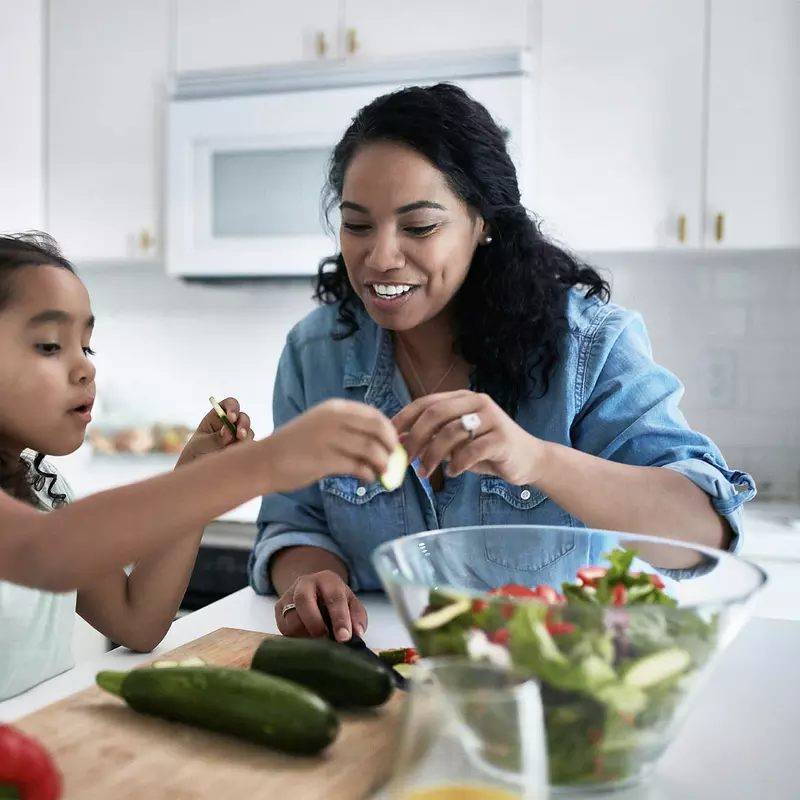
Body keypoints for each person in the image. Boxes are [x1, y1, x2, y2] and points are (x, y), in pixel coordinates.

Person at [250, 82, 756, 644]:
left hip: (550, 684)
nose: (380, 258)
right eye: (357, 225)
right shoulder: (313, 353)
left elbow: (702, 533)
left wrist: (537, 459)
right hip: (378, 678)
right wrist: (313, 575)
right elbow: (293, 521)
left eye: (419, 227)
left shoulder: (589, 346)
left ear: (483, 223)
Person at [0, 232, 401, 701]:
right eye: (50, 345)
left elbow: (137, 621)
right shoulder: (42, 535)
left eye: (86, 347)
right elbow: (39, 550)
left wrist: (192, 474)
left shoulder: (44, 490)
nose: (85, 369)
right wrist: (261, 464)